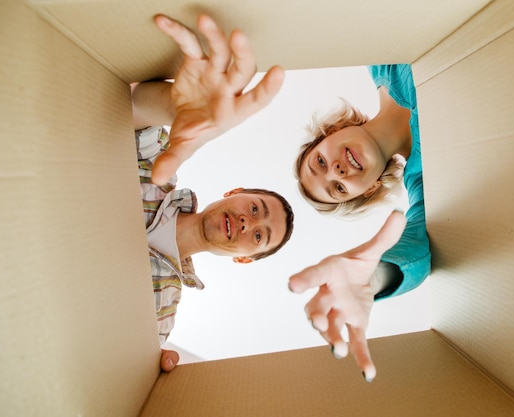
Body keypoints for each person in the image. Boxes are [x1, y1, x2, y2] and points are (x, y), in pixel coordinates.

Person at [134, 14, 293, 372]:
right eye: (254, 208)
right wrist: (172, 108)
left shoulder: (163, 313)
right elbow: (126, 112)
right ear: (234, 192)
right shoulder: (159, 166)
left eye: (257, 234)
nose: (244, 222)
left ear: (242, 258)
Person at [290, 64, 431, 382]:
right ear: (369, 189)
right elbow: (419, 247)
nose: (335, 171)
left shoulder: (383, 60)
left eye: (320, 162)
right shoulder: (427, 179)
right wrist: (372, 278)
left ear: (329, 134)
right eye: (338, 189)